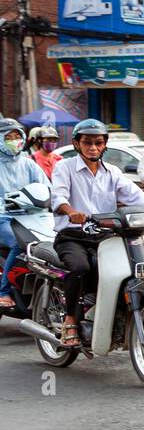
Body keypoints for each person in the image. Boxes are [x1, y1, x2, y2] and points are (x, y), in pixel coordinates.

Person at [49, 119, 144, 346]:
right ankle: (70, 320)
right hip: (72, 237)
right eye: (87, 143)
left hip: (104, 238)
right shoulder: (64, 168)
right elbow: (58, 196)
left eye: (98, 142)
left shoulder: (112, 171)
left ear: (104, 145)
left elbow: (134, 194)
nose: (93, 147)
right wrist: (71, 211)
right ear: (77, 144)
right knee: (81, 268)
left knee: (122, 270)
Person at [0, 118, 50, 310]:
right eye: (8, 137)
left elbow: (47, 187)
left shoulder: (28, 164)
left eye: (17, 136)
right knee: (18, 243)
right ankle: (3, 292)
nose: (14, 140)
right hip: (3, 218)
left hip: (32, 217)